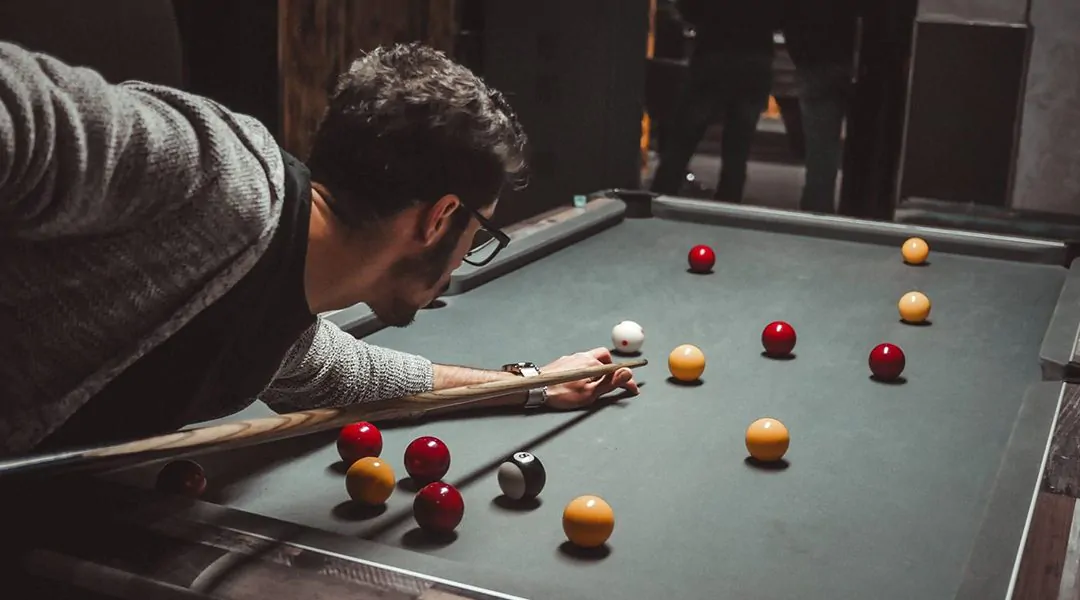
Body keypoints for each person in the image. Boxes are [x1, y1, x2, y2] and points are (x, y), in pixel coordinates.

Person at [0, 40, 639, 457]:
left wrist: (529, 385)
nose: (468, 249)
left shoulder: (283, 304)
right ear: (441, 218)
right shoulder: (212, 171)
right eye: (480, 232)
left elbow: (343, 375)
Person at [650, 0, 780, 202]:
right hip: (756, 55)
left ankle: (659, 197)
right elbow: (783, 15)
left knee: (685, 136)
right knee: (739, 145)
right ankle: (728, 203)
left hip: (714, 50)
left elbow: (688, 8)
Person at [780, 0, 858, 214]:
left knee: (821, 148)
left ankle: (818, 206)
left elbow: (787, 19)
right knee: (864, 144)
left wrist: (802, 59)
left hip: (815, 65)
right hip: (853, 64)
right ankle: (859, 205)